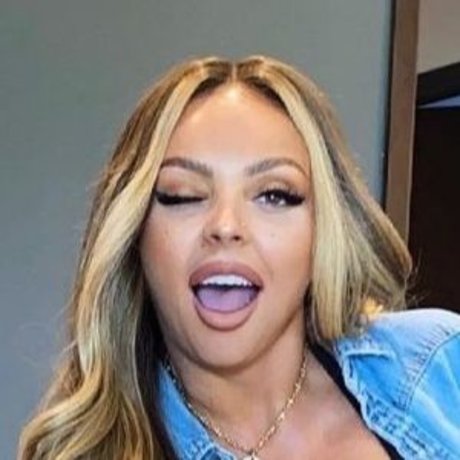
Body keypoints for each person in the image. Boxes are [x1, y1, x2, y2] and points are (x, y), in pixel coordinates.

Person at [18, 55, 460, 460]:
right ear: (134, 235)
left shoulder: (440, 362)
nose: (225, 225)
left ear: (322, 232)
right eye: (183, 195)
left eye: (275, 195)